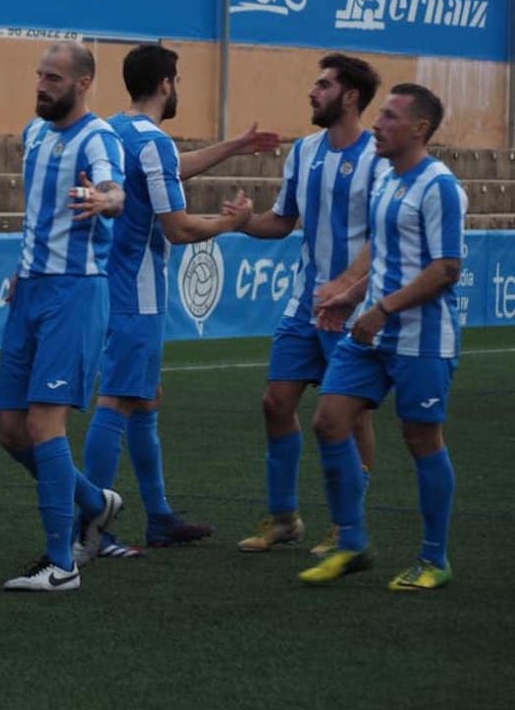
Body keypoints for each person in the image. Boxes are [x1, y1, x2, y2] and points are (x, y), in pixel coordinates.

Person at [79, 43, 263, 561]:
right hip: (137, 289)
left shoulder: (116, 130)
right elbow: (178, 228)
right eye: (177, 80)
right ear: (166, 83)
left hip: (108, 282)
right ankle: (89, 526)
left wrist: (233, 146)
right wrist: (231, 223)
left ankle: (159, 516)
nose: (177, 88)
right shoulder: (152, 141)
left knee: (144, 396)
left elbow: (167, 167)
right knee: (117, 399)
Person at [299, 83, 465, 589]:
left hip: (422, 336)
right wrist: (352, 296)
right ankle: (351, 542)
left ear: (419, 128)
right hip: (373, 329)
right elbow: (391, 258)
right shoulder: (387, 181)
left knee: (420, 438)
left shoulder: (439, 185)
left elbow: (445, 269)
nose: (377, 124)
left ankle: (434, 559)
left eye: (390, 117)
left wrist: (382, 309)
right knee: (330, 421)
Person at [234, 54, 384, 556]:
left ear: (351, 97)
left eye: (323, 85)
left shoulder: (378, 158)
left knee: (352, 415)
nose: (312, 93)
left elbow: (384, 238)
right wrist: (244, 221)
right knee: (275, 403)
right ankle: (284, 519)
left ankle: (349, 526)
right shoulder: (304, 152)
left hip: (352, 308)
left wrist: (348, 287)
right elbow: (282, 221)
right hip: (304, 304)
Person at [0, 41, 126, 592]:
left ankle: (60, 564)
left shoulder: (99, 137)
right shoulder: (35, 133)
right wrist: (26, 269)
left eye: (53, 78)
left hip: (74, 293)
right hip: (31, 291)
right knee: (9, 431)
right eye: (39, 75)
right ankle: (95, 503)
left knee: (46, 425)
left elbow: (114, 188)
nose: (42, 85)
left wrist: (106, 199)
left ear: (84, 82)